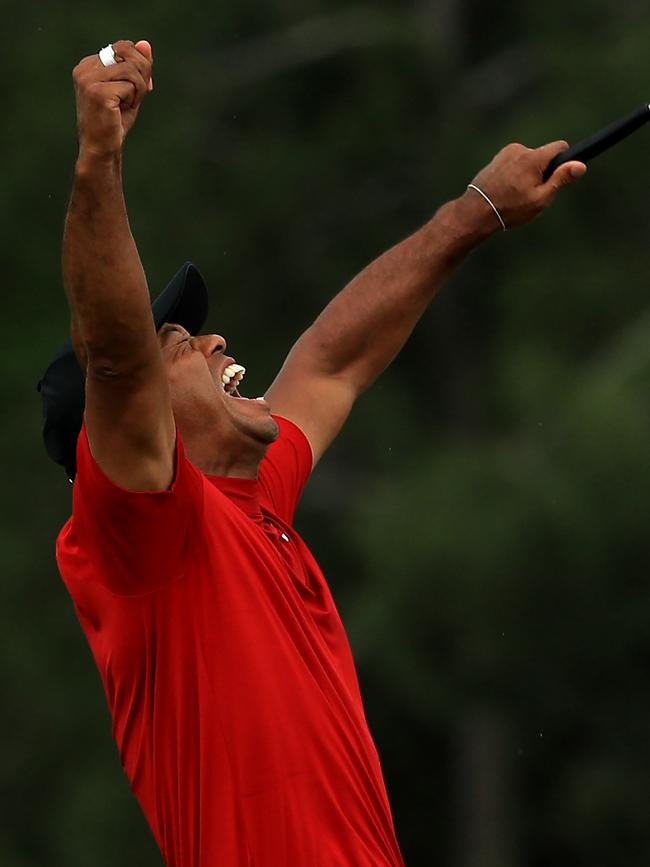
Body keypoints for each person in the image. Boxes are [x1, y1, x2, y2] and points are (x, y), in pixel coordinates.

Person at [38, 38, 586, 867]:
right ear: (129, 422)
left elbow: (332, 359)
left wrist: (474, 212)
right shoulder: (145, 538)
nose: (215, 335)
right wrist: (98, 160)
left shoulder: (249, 504)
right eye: (182, 340)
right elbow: (113, 355)